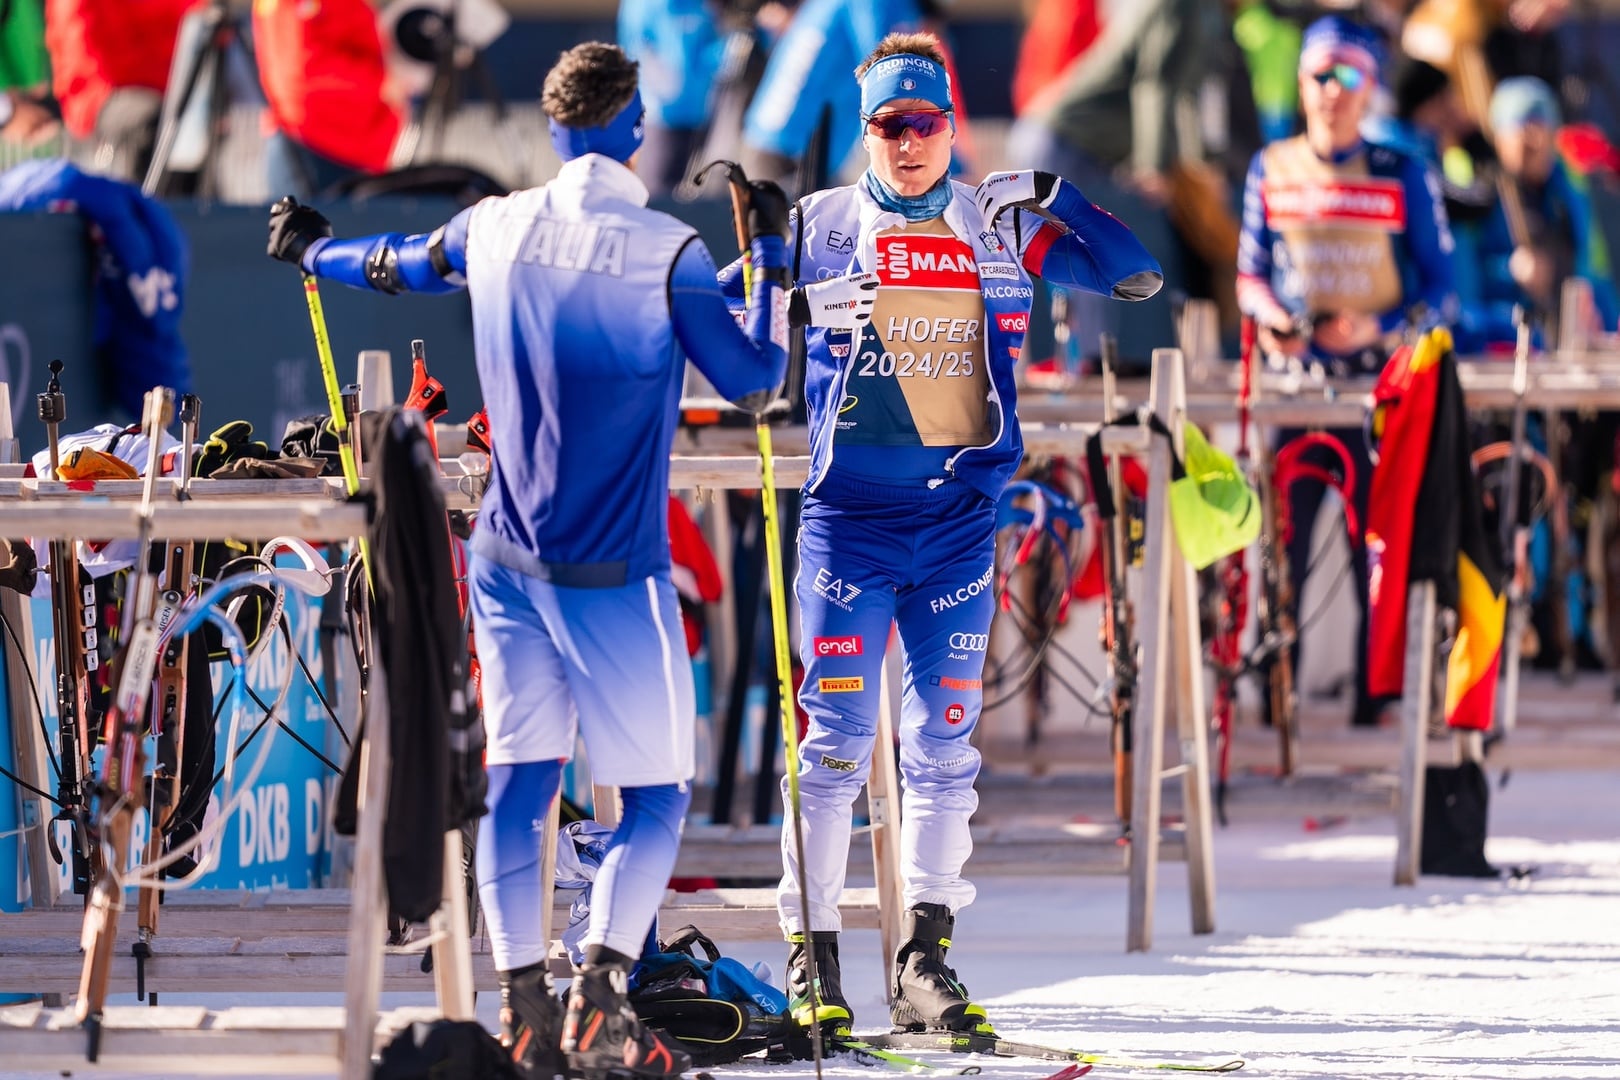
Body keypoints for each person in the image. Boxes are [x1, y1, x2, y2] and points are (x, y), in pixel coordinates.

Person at [266, 41, 792, 1080]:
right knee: (652, 800)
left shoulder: (496, 225)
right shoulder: (667, 253)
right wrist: (769, 260)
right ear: (637, 127)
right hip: (615, 575)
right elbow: (756, 378)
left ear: (554, 129)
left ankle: (525, 1009)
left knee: (520, 785)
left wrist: (309, 251)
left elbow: (397, 263)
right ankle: (601, 991)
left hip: (508, 566)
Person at [720, 30, 1162, 1037]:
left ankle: (924, 960)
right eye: (888, 123)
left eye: (926, 122)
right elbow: (725, 335)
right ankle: (812, 957)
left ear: (953, 126)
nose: (909, 141)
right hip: (850, 527)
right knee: (831, 748)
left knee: (942, 751)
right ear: (867, 129)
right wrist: (782, 285)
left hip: (958, 529)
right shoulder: (823, 223)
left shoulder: (996, 221)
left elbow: (1133, 277)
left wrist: (1060, 198)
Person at [1235, 14, 1457, 728]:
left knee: (1378, 550)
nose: (1332, 91)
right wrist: (1274, 319)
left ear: (1371, 90)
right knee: (1284, 549)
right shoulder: (1271, 165)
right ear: (1300, 84)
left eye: (1349, 76)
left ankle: (1375, 701)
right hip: (1297, 391)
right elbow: (1248, 274)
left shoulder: (1403, 171)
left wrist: (1385, 327)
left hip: (1376, 391)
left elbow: (1442, 286)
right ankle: (1278, 700)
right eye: (1319, 75)